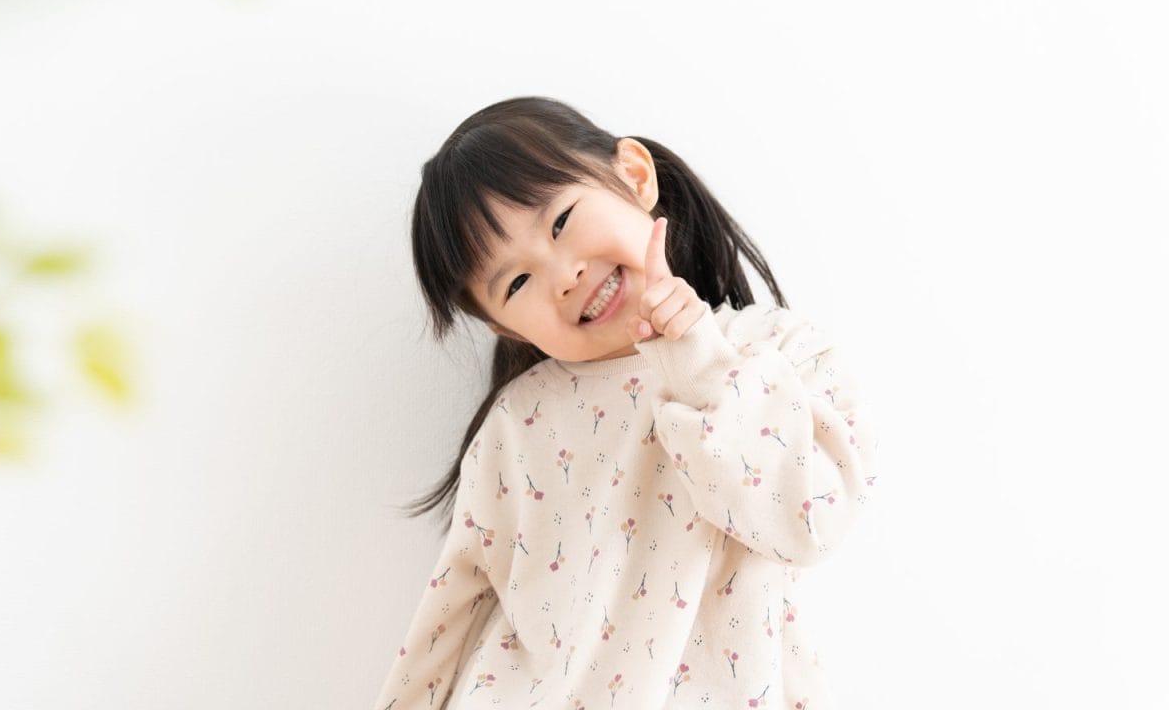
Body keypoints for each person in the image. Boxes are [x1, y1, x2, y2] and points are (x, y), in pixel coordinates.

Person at [372, 96, 880, 709]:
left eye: (560, 222)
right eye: (516, 282)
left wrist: (697, 360)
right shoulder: (516, 425)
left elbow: (809, 523)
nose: (563, 275)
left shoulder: (773, 353)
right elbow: (447, 620)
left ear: (635, 176)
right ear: (505, 326)